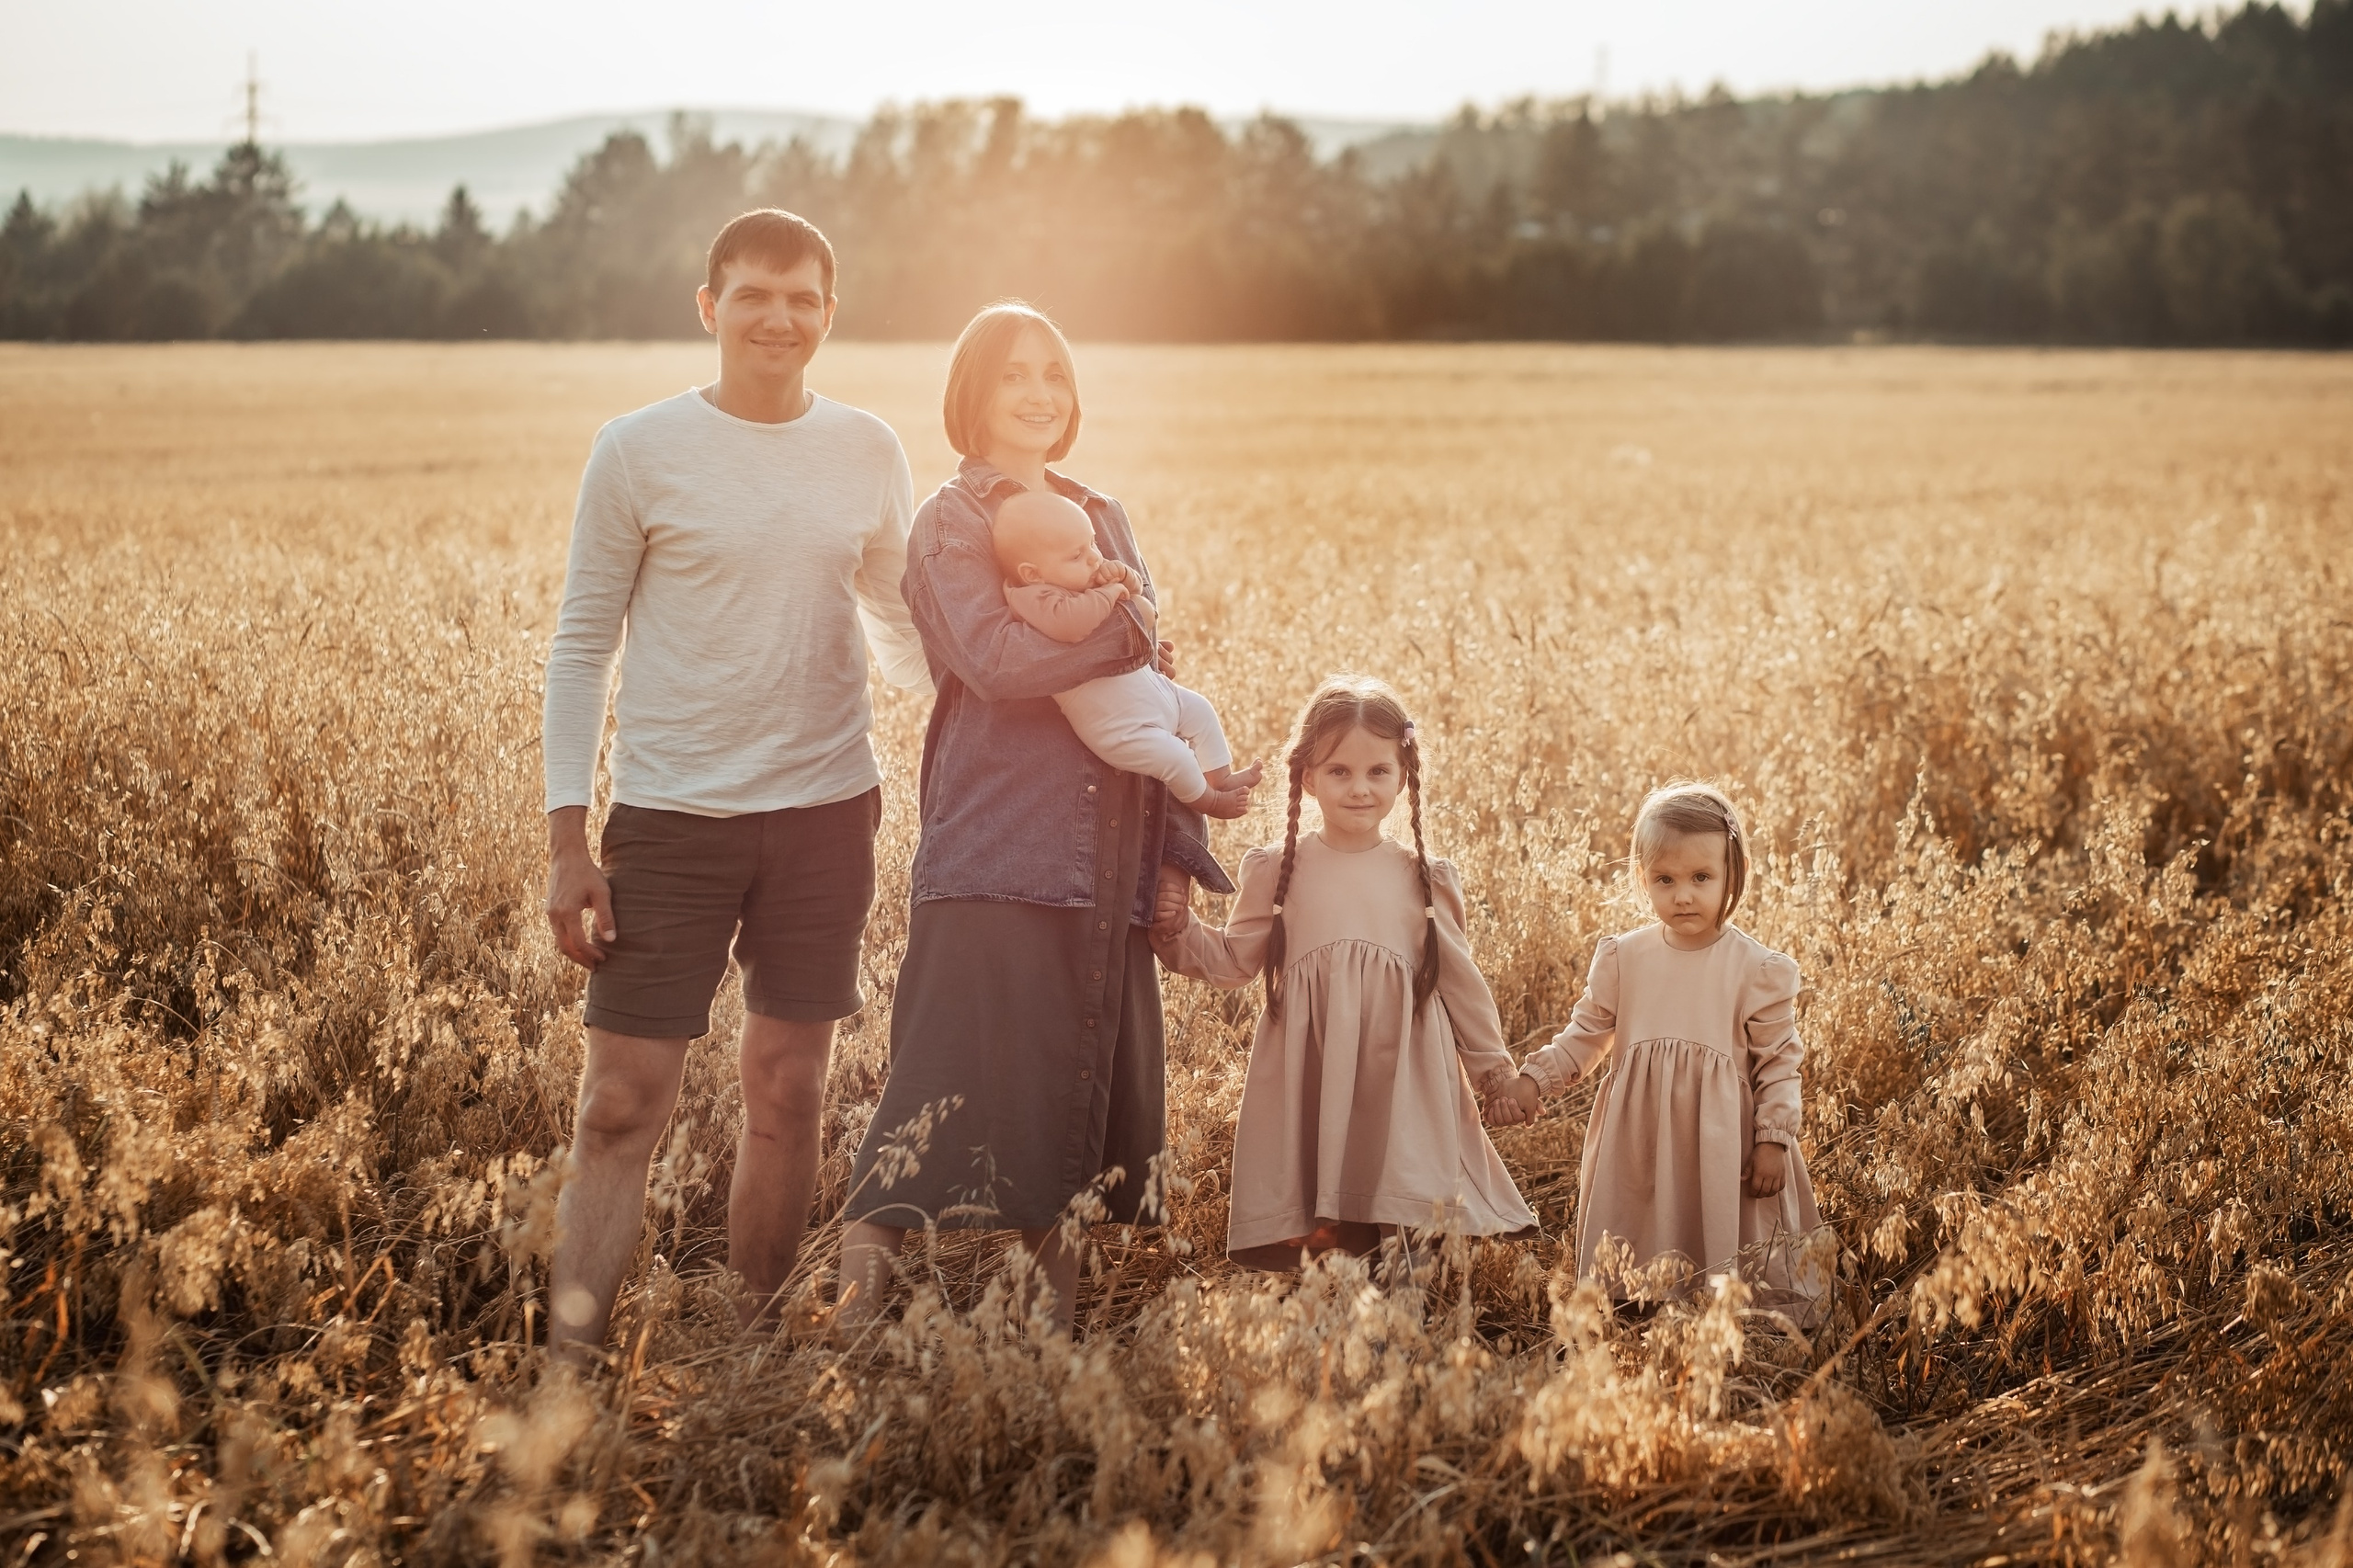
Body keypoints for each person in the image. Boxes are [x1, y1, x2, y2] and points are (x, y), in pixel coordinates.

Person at [538, 209, 931, 1360]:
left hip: (824, 816)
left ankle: (752, 1350)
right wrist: (571, 839)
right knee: (620, 1103)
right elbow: (578, 647)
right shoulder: (638, 448)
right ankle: (571, 1365)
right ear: (709, 307)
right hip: (669, 820)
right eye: (755, 294)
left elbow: (906, 631)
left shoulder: (867, 449)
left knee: (790, 1089)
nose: (780, 317)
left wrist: (1050, 664)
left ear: (828, 315)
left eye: (804, 297)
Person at [835, 301, 1240, 1337]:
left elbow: (1159, 685)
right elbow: (996, 662)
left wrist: (1174, 862)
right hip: (996, 852)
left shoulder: (1100, 510)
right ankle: (843, 1324)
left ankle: (1043, 1343)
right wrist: (1123, 624)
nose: (1037, 392)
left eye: (1053, 373)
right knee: (925, 1102)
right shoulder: (950, 522)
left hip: (1105, 859)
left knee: (1068, 1119)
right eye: (1013, 373)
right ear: (972, 391)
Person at [1151, 675, 1536, 1277]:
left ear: (1404, 775)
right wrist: (1176, 931)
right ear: (1307, 777)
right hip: (1316, 1067)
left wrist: (1494, 1073)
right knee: (1329, 1208)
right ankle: (1339, 1326)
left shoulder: (1423, 877)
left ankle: (1405, 1328)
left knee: (1403, 1194)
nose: (1360, 789)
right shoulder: (1279, 869)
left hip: (1404, 1072)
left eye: (1378, 772)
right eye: (1340, 772)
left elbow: (1461, 984)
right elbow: (1232, 962)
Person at [1485, 781, 1829, 1311]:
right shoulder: (1626, 958)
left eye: (1701, 877)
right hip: (1640, 1140)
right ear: (1642, 877)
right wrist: (1535, 1080)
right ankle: (1641, 1308)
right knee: (1640, 1234)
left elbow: (1779, 1063)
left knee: (1723, 1234)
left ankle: (1728, 1316)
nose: (1683, 894)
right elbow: (1586, 1035)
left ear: (1732, 875)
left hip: (1722, 1141)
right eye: (1664, 879)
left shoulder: (1755, 970)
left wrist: (1773, 1137)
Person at [992, 488, 1257, 816]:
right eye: (1076, 555)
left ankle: (1221, 777)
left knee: (1200, 711)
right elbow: (1072, 624)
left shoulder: (1080, 581)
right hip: (1121, 729)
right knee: (1175, 757)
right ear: (1032, 572)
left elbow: (1135, 595)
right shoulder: (1034, 597)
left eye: (1092, 543)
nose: (1093, 558)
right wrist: (1112, 592)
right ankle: (1211, 801)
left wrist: (1123, 577)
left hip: (1156, 694)